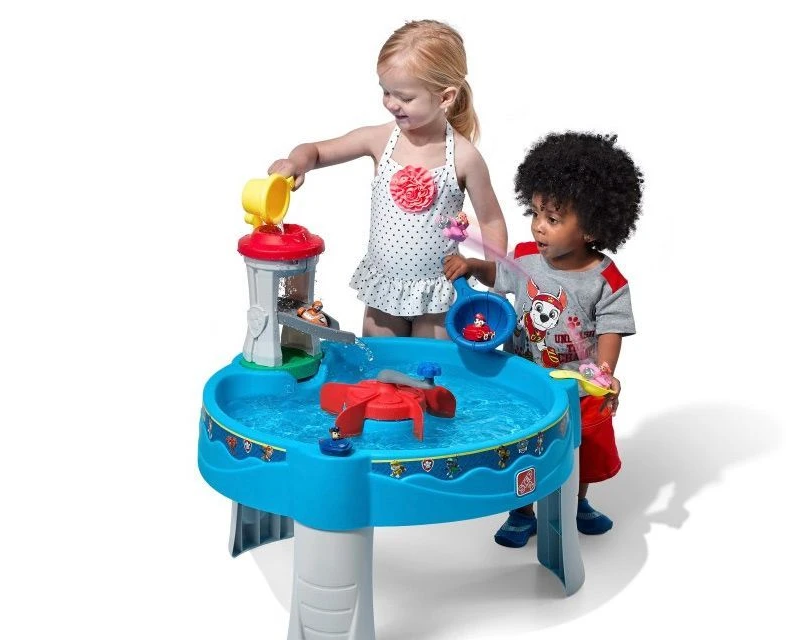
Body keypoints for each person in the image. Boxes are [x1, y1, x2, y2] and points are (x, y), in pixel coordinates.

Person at [444, 132, 643, 543]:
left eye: (553, 219)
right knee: (521, 447)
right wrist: (472, 266)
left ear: (592, 228)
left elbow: (611, 330)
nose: (538, 226)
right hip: (524, 380)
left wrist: (605, 373)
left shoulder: (606, 280)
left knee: (581, 447)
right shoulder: (525, 257)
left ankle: (577, 501)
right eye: (535, 213)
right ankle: (521, 511)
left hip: (577, 387)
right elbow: (498, 275)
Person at [268, 19, 507, 339]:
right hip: (385, 289)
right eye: (386, 92)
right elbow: (317, 151)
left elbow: (490, 220)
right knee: (379, 364)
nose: (392, 103)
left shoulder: (463, 157)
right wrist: (295, 162)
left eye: (405, 97)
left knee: (432, 367)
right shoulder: (380, 139)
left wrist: (497, 279)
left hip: (438, 293)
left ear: (445, 97)